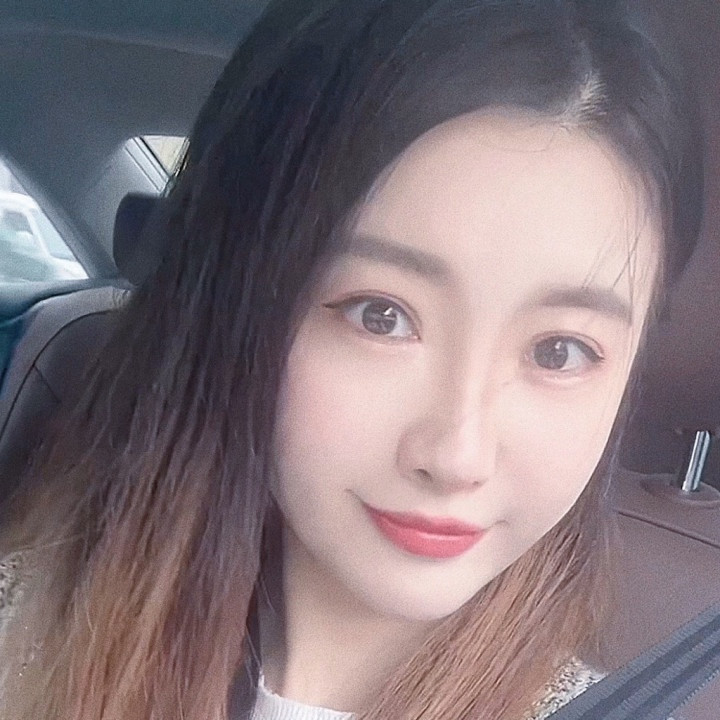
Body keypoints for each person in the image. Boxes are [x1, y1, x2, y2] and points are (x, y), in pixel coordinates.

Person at [0, 1, 703, 718]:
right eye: (380, 316)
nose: (456, 456)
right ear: (240, 302)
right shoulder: (23, 631)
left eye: (560, 351)